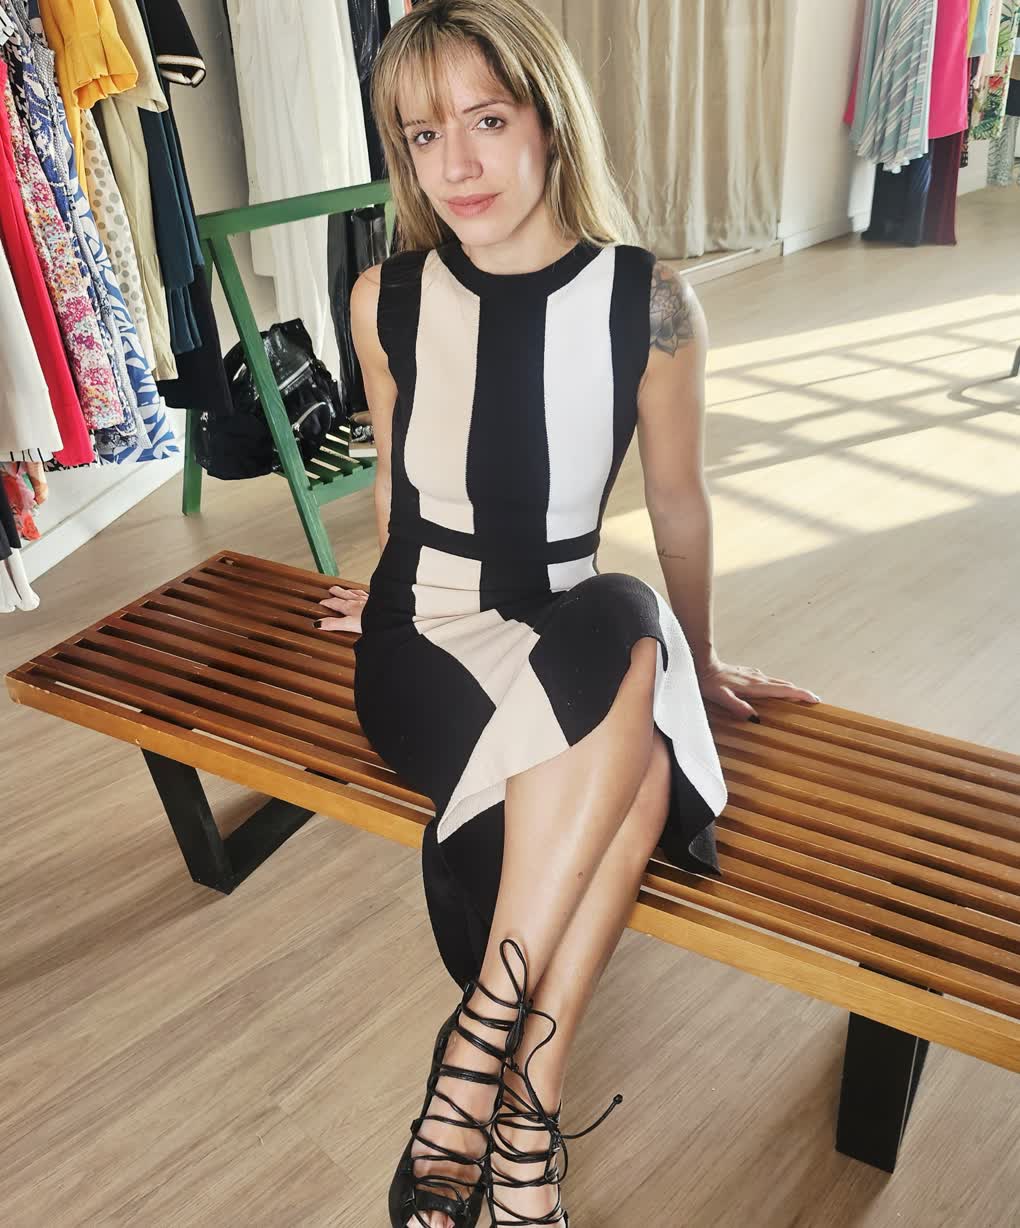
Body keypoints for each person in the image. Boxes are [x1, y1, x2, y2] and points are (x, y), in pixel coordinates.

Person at [315, 2, 820, 1225]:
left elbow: (678, 504)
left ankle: (480, 1068)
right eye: (424, 134)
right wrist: (382, 581)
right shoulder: (386, 297)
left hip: (567, 629)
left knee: (625, 615)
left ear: (548, 118)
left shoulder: (649, 304)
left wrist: (696, 659)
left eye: (487, 120)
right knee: (634, 755)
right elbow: (395, 476)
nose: (457, 163)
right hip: (424, 636)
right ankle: (525, 1105)